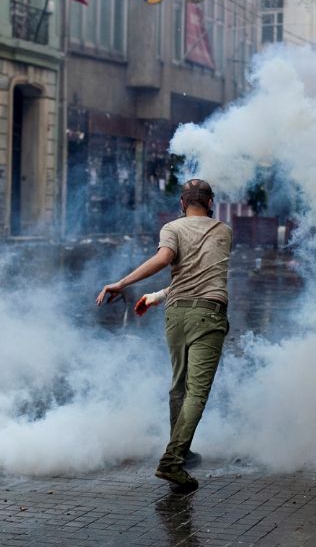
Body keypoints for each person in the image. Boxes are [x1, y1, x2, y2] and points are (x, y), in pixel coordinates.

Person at [96, 179, 232, 490]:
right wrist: (123, 284)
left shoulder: (172, 227)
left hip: (176, 314)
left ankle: (180, 452)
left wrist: (150, 294)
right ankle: (172, 461)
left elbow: (175, 265)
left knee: (179, 386)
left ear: (183, 204)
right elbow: (181, 266)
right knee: (196, 392)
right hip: (208, 315)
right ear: (211, 203)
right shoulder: (223, 231)